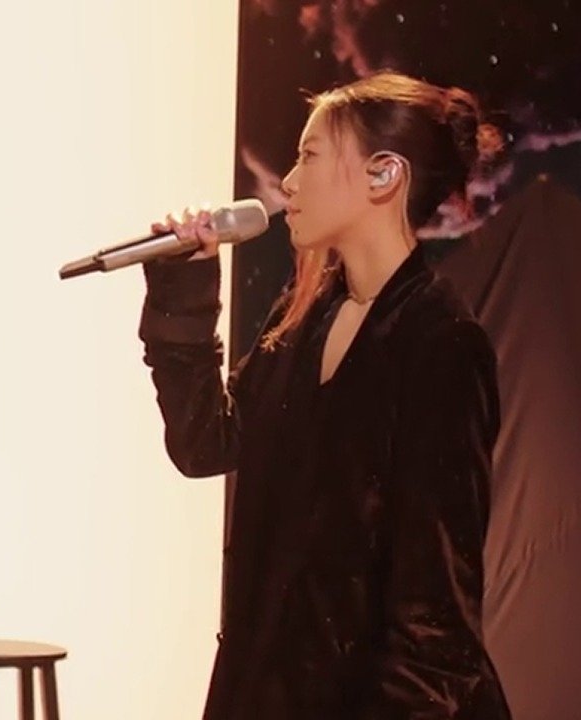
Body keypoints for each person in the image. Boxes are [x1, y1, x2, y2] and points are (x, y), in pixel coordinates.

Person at [139, 71, 512, 718]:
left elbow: (435, 620)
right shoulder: (307, 314)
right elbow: (205, 443)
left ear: (383, 175)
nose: (288, 182)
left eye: (309, 156)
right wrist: (186, 290)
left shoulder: (442, 344)